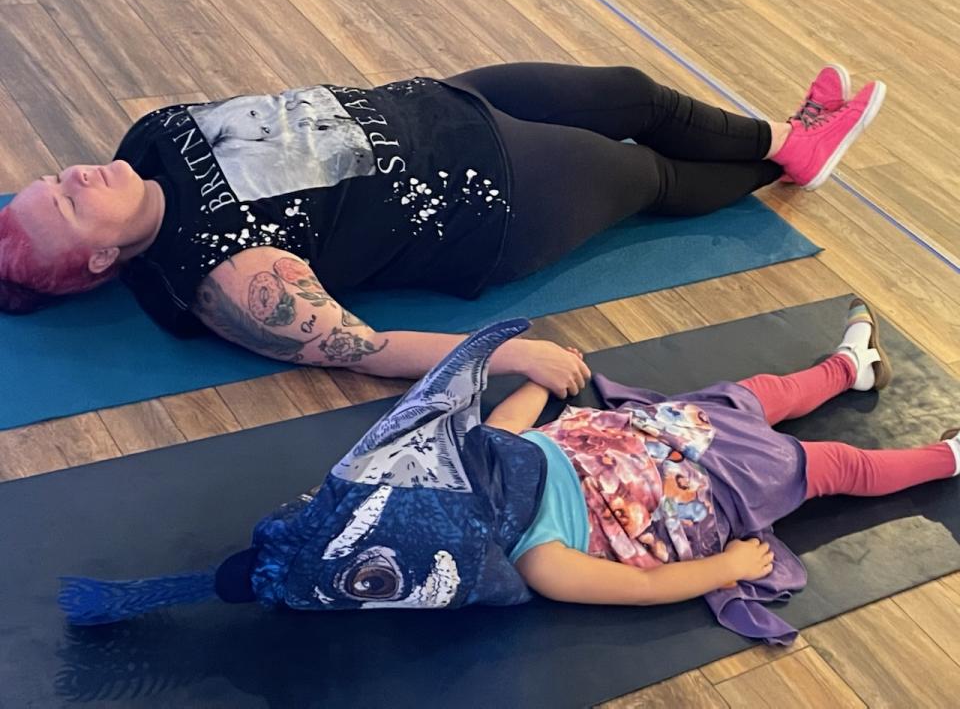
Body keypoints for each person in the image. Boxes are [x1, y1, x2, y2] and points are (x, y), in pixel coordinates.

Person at [58, 299, 958, 646]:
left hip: (652, 430)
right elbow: (638, 589)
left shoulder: (486, 460)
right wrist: (721, 570)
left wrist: (532, 375)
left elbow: (501, 431)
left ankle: (850, 368)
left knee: (751, 392)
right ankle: (946, 454)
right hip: (694, 490)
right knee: (827, 465)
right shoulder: (543, 560)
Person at [0, 63, 884, 397]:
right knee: (645, 174)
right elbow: (364, 347)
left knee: (632, 93)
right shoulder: (224, 279)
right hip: (494, 202)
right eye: (72, 204)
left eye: (51, 181)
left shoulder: (139, 145)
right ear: (104, 255)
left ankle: (791, 143)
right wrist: (505, 355)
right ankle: (786, 160)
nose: (76, 175)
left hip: (443, 103)